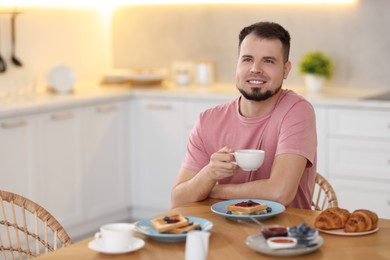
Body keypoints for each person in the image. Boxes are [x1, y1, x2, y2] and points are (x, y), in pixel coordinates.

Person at [171, 21, 317, 209]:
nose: (255, 69)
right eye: (247, 59)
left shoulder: (296, 110)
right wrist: (209, 174)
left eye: (268, 61)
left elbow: (280, 193)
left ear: (286, 69)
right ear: (238, 64)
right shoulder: (208, 121)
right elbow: (177, 201)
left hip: (284, 234)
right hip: (221, 231)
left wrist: (214, 190)